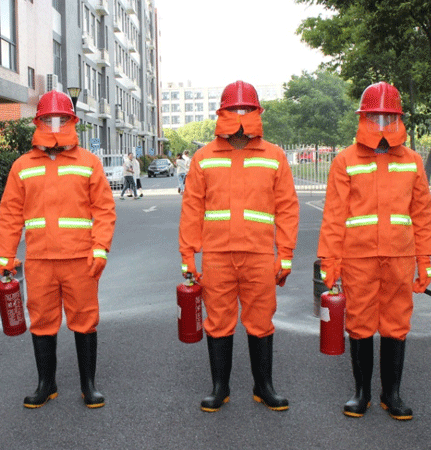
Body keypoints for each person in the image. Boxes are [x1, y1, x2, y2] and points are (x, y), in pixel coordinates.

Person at [179, 81, 299, 413]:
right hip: (217, 256)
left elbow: (287, 208)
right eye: (235, 110)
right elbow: (192, 209)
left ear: (258, 113)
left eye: (247, 110)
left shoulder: (274, 156)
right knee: (218, 321)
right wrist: (188, 256)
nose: (241, 117)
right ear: (222, 114)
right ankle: (220, 388)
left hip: (259, 255)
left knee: (261, 320)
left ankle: (264, 387)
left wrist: (285, 254)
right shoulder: (204, 157)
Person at [318, 82, 431, 421]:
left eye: (388, 117)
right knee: (360, 323)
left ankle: (391, 394)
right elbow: (334, 216)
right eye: (375, 117)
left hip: (399, 256)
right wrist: (330, 262)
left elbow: (423, 216)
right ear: (363, 118)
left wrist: (425, 262)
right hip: (359, 258)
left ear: (398, 119)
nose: (381, 125)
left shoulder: (412, 161)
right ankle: (362, 393)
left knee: (397, 324)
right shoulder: (345, 160)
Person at [0, 91, 116, 409]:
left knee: (84, 321)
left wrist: (100, 248)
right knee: (42, 322)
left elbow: (104, 210)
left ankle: (88, 386)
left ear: (71, 122)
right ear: (38, 123)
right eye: (48, 120)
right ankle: (46, 384)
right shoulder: (22, 166)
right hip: (39, 260)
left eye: (61, 120)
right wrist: (6, 256)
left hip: (80, 259)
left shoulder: (88, 163)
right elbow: (10, 214)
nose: (54, 126)